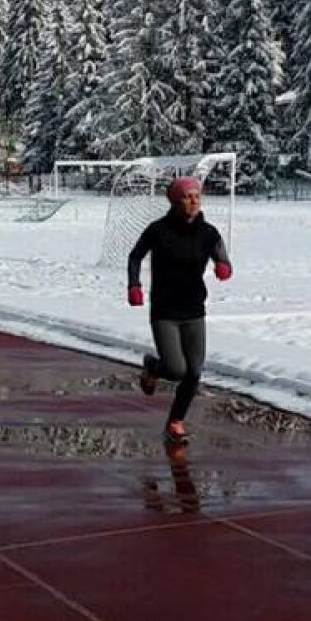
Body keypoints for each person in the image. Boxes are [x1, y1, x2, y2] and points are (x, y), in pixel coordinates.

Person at [126, 175, 233, 445]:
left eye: (197, 195)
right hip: (165, 310)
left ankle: (176, 421)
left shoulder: (208, 233)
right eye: (187, 196)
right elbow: (135, 256)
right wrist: (134, 285)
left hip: (194, 309)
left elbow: (222, 255)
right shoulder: (158, 230)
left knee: (194, 371)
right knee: (175, 370)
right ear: (175, 201)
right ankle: (152, 366)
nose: (194, 201)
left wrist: (224, 266)